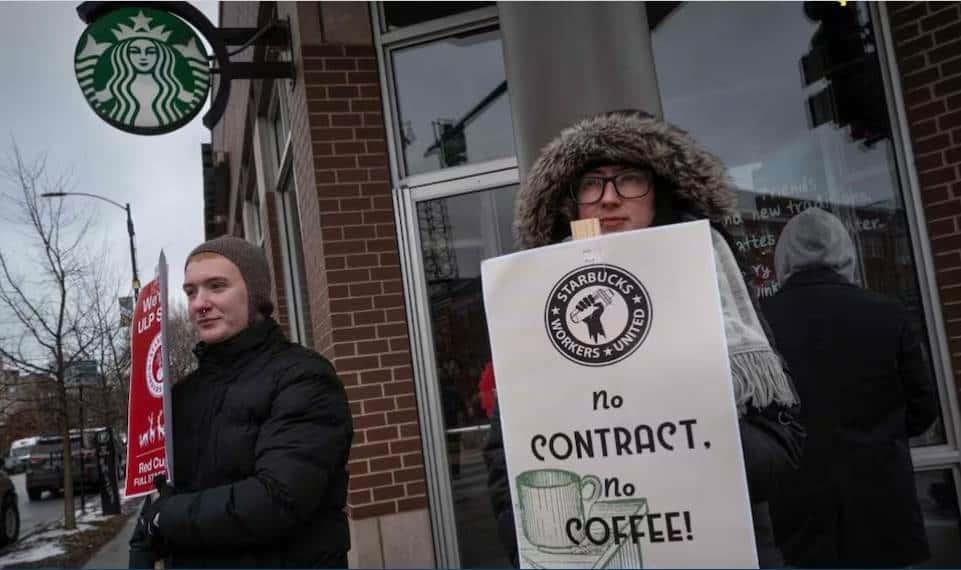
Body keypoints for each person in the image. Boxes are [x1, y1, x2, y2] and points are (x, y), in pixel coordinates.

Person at [483, 109, 804, 567]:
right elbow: (506, 454)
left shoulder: (711, 285)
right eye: (591, 183)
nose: (609, 199)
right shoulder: (534, 304)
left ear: (660, 194)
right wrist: (531, 548)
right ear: (570, 203)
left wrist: (691, 439)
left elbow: (782, 443)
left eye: (630, 179)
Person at [129, 236, 353, 568]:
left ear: (255, 296)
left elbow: (278, 499)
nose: (198, 304)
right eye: (191, 292)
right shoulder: (180, 396)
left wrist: (166, 517)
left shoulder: (305, 378)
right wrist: (142, 548)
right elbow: (161, 500)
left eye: (216, 287)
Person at [764, 207, 937, 568]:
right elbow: (922, 410)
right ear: (846, 252)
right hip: (882, 496)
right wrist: (881, 435)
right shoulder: (888, 313)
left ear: (784, 257)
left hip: (800, 504)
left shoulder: (762, 322)